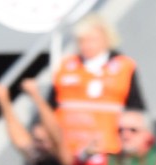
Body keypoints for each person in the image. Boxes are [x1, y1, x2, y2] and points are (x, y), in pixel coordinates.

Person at [51, 13, 145, 156]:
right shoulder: (66, 66)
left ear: (106, 39)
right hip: (69, 148)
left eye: (92, 40)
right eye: (82, 40)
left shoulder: (124, 66)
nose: (87, 45)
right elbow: (51, 105)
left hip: (109, 147)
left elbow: (136, 108)